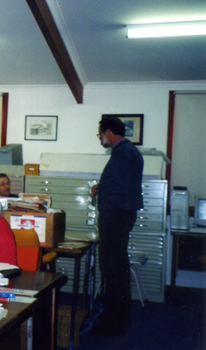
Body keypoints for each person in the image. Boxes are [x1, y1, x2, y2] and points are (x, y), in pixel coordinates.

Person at [89, 117, 144, 337]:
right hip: (121, 215)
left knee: (112, 269)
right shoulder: (128, 151)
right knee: (117, 268)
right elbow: (122, 183)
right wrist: (103, 186)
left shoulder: (122, 152)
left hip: (115, 216)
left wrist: (103, 193)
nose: (101, 138)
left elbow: (120, 188)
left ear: (108, 132)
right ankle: (118, 316)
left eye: (100, 133)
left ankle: (114, 323)